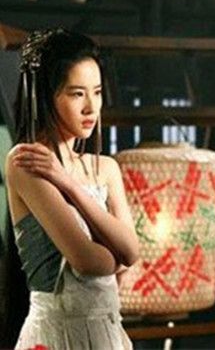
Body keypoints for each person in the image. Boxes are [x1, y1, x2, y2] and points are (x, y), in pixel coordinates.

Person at [4, 28, 139, 349]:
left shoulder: (106, 168)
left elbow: (132, 251)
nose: (91, 107)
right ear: (45, 96)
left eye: (97, 92)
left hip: (108, 331)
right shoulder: (26, 161)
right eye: (77, 94)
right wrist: (117, 256)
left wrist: (69, 184)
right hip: (58, 333)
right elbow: (87, 261)